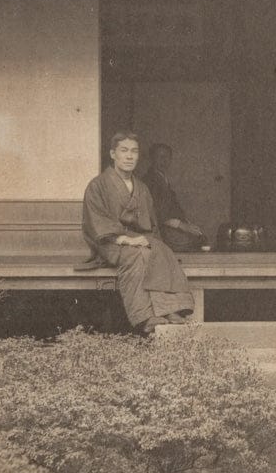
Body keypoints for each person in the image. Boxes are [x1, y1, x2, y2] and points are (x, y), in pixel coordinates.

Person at [82, 132, 195, 335]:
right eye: (123, 151)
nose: (129, 156)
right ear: (112, 154)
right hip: (110, 242)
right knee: (140, 255)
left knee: (161, 250)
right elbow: (96, 222)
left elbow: (151, 225)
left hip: (138, 239)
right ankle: (145, 316)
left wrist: (150, 241)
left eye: (134, 151)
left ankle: (170, 309)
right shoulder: (97, 186)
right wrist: (125, 239)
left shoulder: (142, 187)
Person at [142, 142, 205, 252]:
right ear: (152, 158)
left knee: (200, 238)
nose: (164, 160)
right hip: (158, 231)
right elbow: (156, 211)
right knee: (196, 241)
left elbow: (172, 206)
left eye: (167, 157)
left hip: (169, 228)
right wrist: (182, 225)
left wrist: (187, 223)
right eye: (160, 157)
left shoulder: (162, 178)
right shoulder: (149, 180)